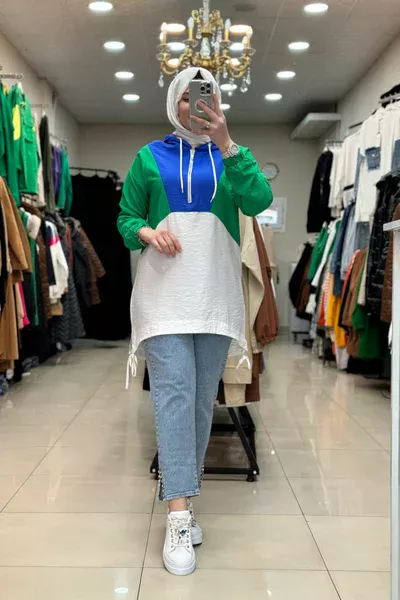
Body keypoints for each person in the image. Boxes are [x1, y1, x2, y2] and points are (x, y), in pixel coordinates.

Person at [117, 67, 273, 576]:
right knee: (175, 398)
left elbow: (259, 200)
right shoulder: (148, 157)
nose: (195, 105)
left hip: (215, 298)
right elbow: (125, 219)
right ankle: (178, 517)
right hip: (162, 298)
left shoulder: (232, 158)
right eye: (186, 97)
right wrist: (146, 232)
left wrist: (227, 143)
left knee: (202, 403)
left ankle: (185, 495)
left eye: (205, 97)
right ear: (173, 103)